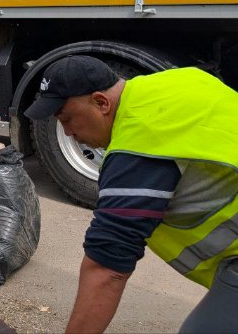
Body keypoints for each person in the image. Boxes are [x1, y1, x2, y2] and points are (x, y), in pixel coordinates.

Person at [25, 55, 238, 333]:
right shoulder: (184, 80)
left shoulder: (140, 144)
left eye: (67, 119)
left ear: (101, 103)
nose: (67, 132)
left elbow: (107, 269)